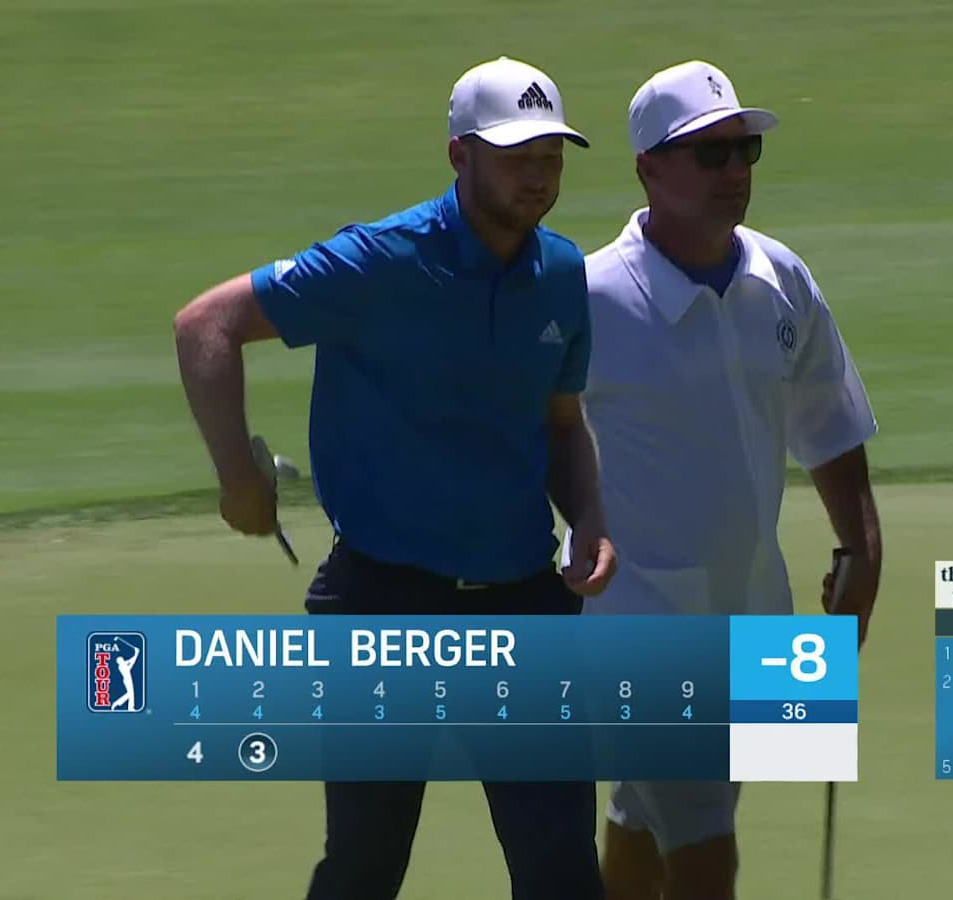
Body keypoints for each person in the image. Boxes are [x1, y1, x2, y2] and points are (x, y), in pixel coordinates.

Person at [172, 56, 618, 900]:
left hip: (522, 599)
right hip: (381, 598)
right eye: (517, 154)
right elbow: (208, 325)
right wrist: (237, 478)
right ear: (460, 156)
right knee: (367, 867)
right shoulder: (377, 261)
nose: (538, 173)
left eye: (551, 155)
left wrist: (589, 513)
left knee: (561, 870)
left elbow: (560, 423)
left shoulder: (561, 274)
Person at [567, 60, 884, 900]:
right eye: (709, 156)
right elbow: (524, 432)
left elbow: (828, 416)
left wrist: (862, 545)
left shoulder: (779, 277)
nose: (734, 172)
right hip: (637, 624)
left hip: (754, 605)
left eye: (743, 151)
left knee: (643, 814)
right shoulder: (591, 296)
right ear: (648, 167)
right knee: (705, 847)